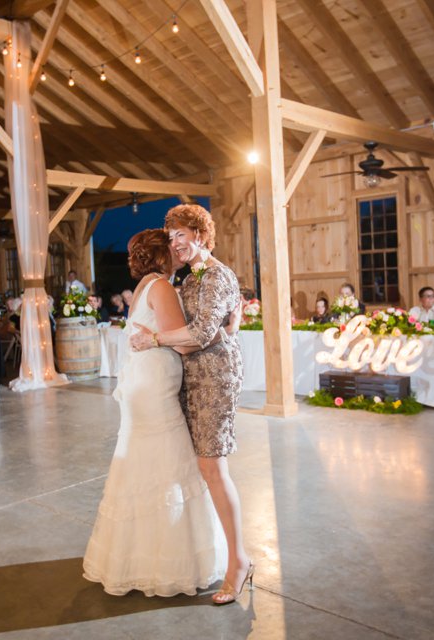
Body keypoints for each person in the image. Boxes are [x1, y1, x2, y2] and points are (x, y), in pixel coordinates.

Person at [84, 228, 226, 598]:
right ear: (161, 254)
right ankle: (167, 561)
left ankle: (138, 557)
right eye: (172, 245)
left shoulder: (148, 285)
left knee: (142, 464)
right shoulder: (161, 286)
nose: (178, 249)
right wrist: (222, 329)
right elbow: (182, 342)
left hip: (142, 385)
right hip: (154, 388)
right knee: (168, 463)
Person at [131, 204, 253, 605]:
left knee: (213, 468)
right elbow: (202, 329)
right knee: (202, 468)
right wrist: (225, 329)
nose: (175, 244)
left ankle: (239, 564)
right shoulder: (189, 278)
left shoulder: (217, 274)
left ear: (201, 234)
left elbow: (199, 333)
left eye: (181, 234)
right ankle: (210, 552)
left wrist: (153, 339)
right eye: (171, 237)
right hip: (192, 378)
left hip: (215, 380)